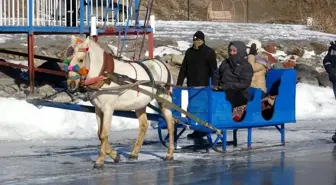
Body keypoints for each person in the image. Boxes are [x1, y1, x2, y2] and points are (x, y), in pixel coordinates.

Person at [176, 30, 217, 139]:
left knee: (202, 109)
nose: (196, 42)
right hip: (192, 86)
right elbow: (184, 68)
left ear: (202, 40)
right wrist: (179, 83)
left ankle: (203, 129)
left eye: (198, 40)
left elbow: (214, 70)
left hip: (204, 87)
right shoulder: (189, 52)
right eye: (194, 40)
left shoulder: (209, 52)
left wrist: (214, 84)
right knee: (192, 109)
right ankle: (196, 129)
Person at [214, 41, 253, 122]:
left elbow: (244, 84)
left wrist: (227, 86)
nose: (231, 53)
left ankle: (222, 120)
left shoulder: (246, 66)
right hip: (223, 91)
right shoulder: (225, 63)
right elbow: (217, 75)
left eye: (234, 51)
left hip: (239, 94)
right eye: (230, 51)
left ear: (240, 51)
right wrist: (215, 85)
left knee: (227, 99)